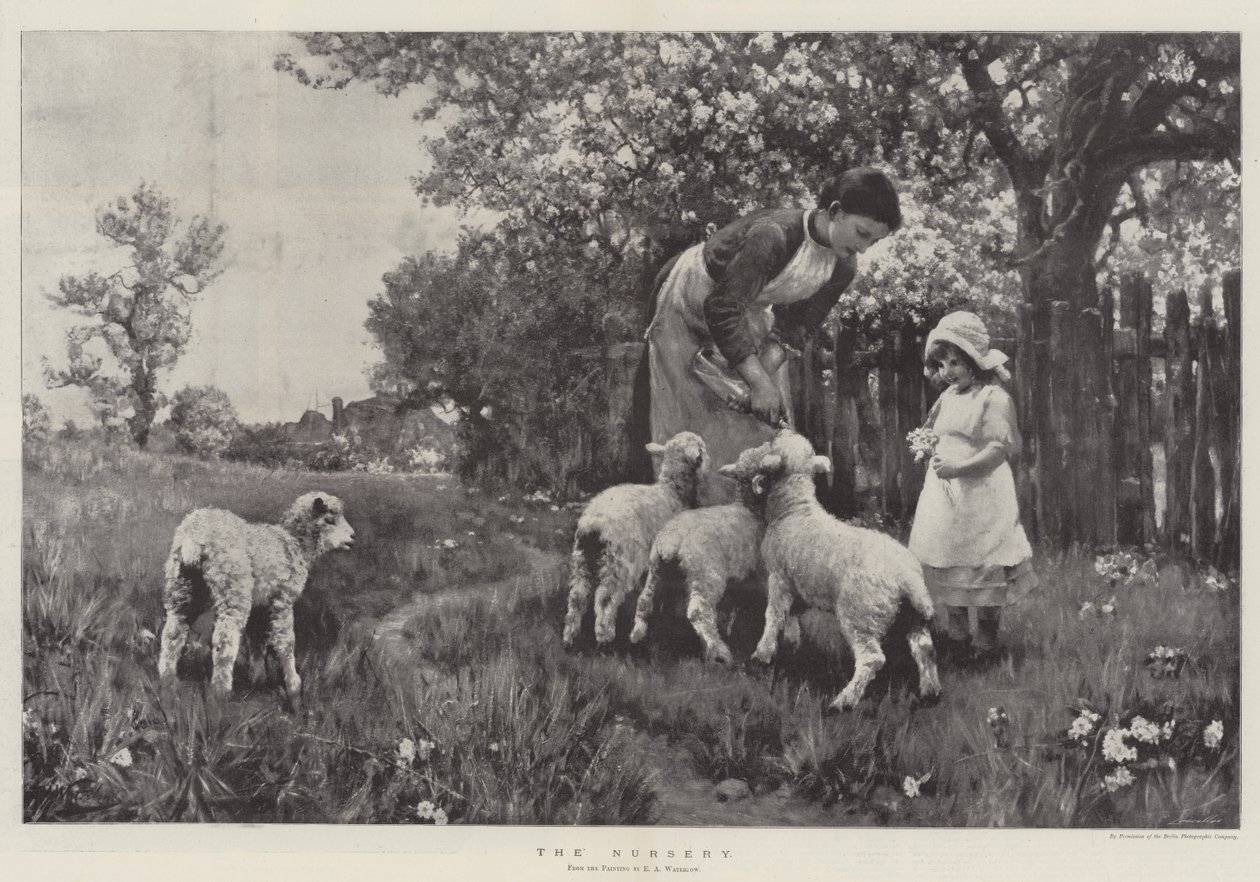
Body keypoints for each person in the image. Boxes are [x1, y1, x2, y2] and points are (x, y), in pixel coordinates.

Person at [645, 167, 902, 501]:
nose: (865, 248)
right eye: (862, 233)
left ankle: (738, 522)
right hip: (690, 305)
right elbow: (721, 306)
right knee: (686, 426)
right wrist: (759, 383)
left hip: (745, 313)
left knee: (754, 428)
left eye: (874, 241)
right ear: (836, 212)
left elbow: (795, 328)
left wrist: (759, 379)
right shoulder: (773, 235)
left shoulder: (843, 265)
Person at [907, 310, 1038, 663]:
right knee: (951, 559)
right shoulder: (948, 397)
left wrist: (960, 467)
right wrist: (927, 449)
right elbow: (935, 432)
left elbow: (999, 450)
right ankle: (957, 635)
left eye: (956, 363)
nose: (948, 372)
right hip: (948, 497)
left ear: (976, 363)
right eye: (942, 364)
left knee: (984, 563)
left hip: (981, 494)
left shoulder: (993, 398)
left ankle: (986, 641)